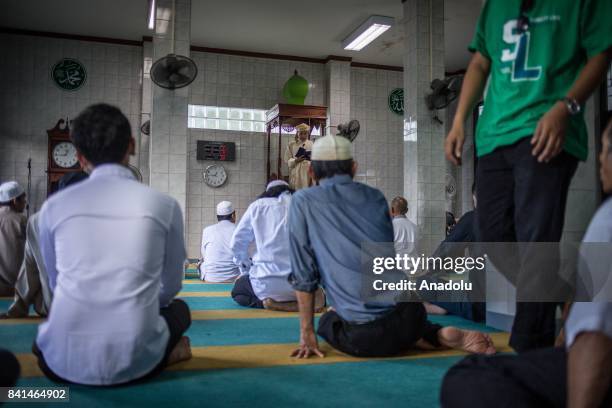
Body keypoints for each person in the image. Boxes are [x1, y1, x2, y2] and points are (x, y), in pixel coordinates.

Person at [445, 0, 612, 351]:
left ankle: (529, 350)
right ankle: (561, 294)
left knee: (537, 241)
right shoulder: (497, 6)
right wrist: (459, 119)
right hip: (493, 135)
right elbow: (480, 61)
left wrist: (566, 107)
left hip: (546, 129)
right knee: (492, 235)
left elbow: (601, 52)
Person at [441, 119, 612, 408]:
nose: (599, 158)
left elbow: (594, 343)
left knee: (466, 377)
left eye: (606, 149)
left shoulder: (607, 220)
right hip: (489, 306)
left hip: (475, 303)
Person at [288, 134, 496, 359]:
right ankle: (430, 334)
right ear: (354, 168)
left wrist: (306, 331)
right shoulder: (375, 197)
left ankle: (427, 336)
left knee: (328, 322)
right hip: (410, 312)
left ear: (311, 172)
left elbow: (303, 274)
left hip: (364, 333)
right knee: (397, 312)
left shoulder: (303, 201)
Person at [34, 104, 191, 386]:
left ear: (80, 158)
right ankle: (169, 351)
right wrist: (140, 304)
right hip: (137, 361)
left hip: (61, 362)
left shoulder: (53, 207)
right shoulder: (164, 205)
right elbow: (171, 285)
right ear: (131, 145)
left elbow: (56, 284)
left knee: (46, 335)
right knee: (180, 310)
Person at [230, 180, 324, 311]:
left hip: (264, 284)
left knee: (238, 291)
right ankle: (299, 304)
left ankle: (267, 304)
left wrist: (245, 269)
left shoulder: (256, 206)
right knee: (320, 294)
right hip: (300, 284)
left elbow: (237, 243)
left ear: (267, 193)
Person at [424, 183, 486, 322]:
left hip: (480, 307)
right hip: (521, 306)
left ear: (474, 197)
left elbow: (437, 259)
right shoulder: (520, 217)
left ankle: (439, 307)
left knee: (423, 282)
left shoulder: (473, 218)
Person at [199, 201, 240, 283]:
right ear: (233, 215)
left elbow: (204, 254)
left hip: (211, 278)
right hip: (234, 278)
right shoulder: (239, 230)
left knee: (201, 262)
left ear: (218, 216)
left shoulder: (207, 230)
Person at [0, 181, 27, 297]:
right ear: (15, 201)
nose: (25, 203)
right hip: (15, 288)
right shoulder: (20, 220)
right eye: (24, 199)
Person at [284, 123, 313, 190]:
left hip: (307, 173)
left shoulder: (311, 144)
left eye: (305, 133)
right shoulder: (292, 144)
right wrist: (296, 160)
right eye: (301, 133)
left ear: (308, 133)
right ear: (297, 133)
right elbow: (287, 159)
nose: (303, 136)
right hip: (296, 171)